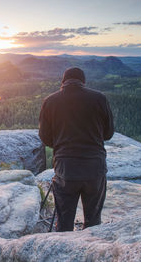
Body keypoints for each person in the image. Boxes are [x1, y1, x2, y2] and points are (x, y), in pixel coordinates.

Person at [39, 67, 114, 232]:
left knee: (64, 220)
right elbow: (108, 133)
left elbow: (44, 136)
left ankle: (63, 253)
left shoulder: (50, 101)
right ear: (83, 82)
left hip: (66, 169)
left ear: (63, 82)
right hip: (95, 167)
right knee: (93, 220)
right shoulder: (99, 98)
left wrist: (61, 147)